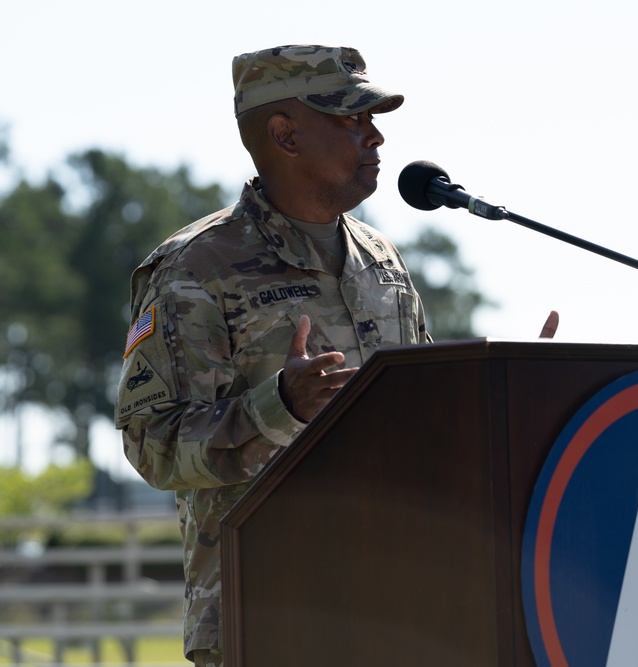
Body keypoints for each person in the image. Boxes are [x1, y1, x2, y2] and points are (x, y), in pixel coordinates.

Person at [115, 45, 556, 667]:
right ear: (285, 134)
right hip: (269, 614)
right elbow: (151, 443)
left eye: (373, 119)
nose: (375, 136)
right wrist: (280, 406)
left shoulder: (382, 260)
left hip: (402, 608)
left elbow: (422, 421)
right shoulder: (195, 270)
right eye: (351, 120)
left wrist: (506, 393)